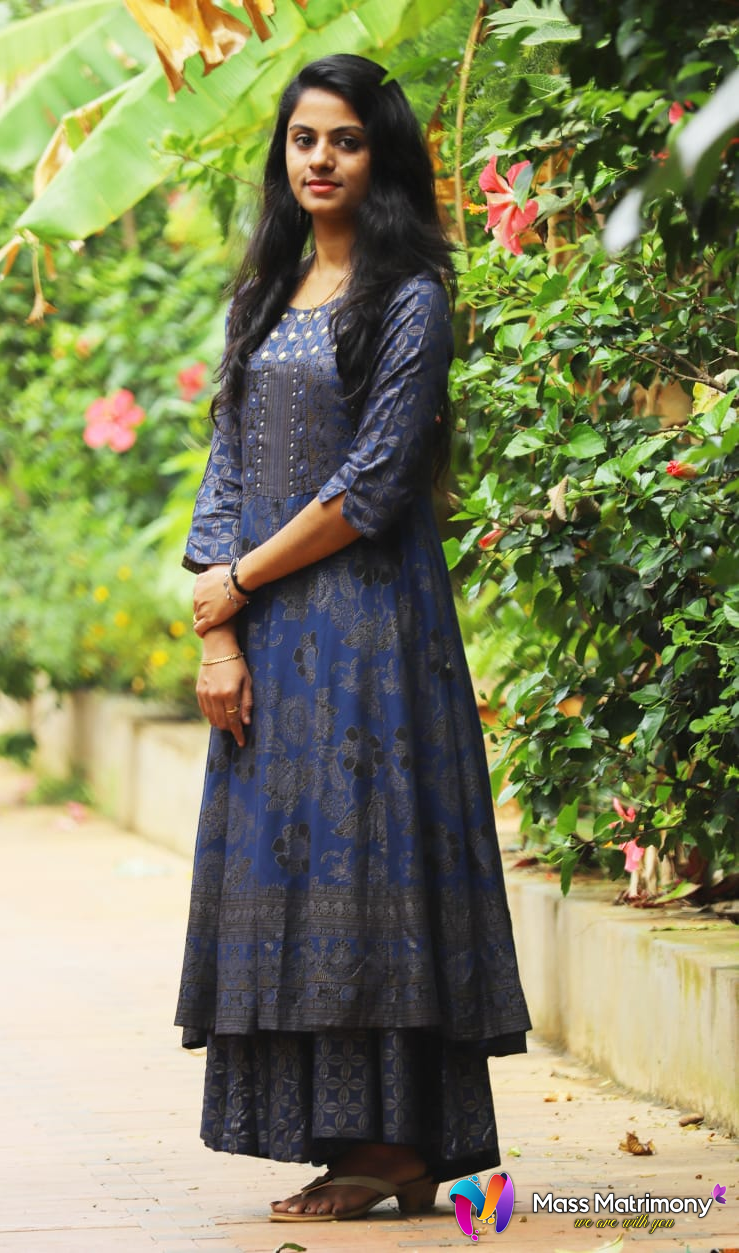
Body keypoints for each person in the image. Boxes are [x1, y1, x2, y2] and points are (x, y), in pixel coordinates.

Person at [174, 52, 531, 1223]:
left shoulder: (410, 295)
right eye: (302, 138)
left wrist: (238, 579)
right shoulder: (264, 290)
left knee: (369, 872)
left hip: (372, 633)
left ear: (381, 156)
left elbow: (372, 482)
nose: (319, 159)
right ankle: (349, 1140)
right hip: (268, 634)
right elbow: (227, 461)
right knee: (286, 883)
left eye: (344, 139)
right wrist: (220, 628)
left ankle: (389, 1144)